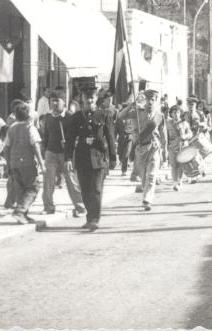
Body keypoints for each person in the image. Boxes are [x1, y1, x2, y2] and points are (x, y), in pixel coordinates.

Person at [64, 86, 116, 230]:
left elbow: (110, 137)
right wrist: (67, 158)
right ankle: (89, 217)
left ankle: (95, 219)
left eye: (92, 98)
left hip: (99, 157)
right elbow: (69, 139)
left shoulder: (104, 115)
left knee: (96, 189)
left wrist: (113, 158)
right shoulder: (76, 118)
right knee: (85, 190)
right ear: (82, 100)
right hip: (82, 158)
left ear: (95, 100)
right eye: (86, 99)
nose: (89, 101)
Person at [117, 89, 165, 211]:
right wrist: (131, 106)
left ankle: (147, 199)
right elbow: (120, 116)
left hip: (153, 147)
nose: (150, 102)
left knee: (152, 175)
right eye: (148, 99)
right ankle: (146, 194)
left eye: (152, 100)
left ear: (156, 101)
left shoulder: (160, 116)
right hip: (140, 147)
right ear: (145, 100)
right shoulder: (137, 112)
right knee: (144, 176)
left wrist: (165, 150)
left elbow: (163, 134)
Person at [41, 91, 86, 217]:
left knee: (71, 181)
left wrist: (69, 142)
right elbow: (46, 135)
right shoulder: (48, 117)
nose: (54, 103)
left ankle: (80, 207)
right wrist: (44, 151)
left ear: (63, 102)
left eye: (57, 100)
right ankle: (48, 207)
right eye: (52, 101)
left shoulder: (70, 117)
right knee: (48, 181)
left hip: (66, 155)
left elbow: (78, 137)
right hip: (51, 152)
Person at [4, 103, 46, 225]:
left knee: (20, 189)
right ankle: (20, 211)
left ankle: (23, 215)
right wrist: (41, 163)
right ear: (29, 115)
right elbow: (35, 146)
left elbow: (6, 148)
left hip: (14, 163)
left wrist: (8, 163)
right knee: (33, 187)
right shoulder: (30, 128)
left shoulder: (11, 128)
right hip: (27, 163)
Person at [166, 105, 192, 190]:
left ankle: (180, 181)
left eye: (178, 112)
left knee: (181, 165)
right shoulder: (168, 124)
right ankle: (175, 183)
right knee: (174, 165)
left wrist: (185, 136)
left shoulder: (185, 123)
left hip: (183, 146)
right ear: (171, 114)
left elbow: (190, 134)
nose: (176, 114)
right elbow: (165, 136)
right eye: (174, 112)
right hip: (172, 146)